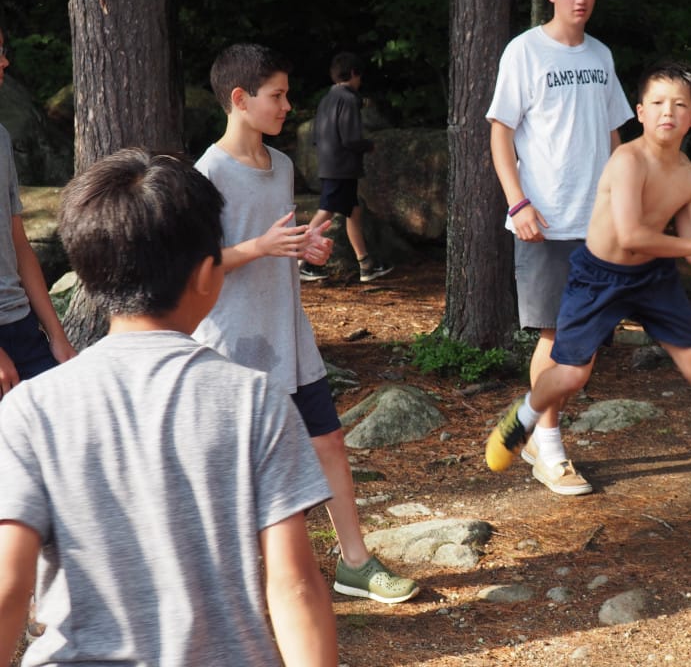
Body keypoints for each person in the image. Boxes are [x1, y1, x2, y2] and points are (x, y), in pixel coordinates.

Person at [0, 148, 337, 666]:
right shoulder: (255, 401)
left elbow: (7, 590)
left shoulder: (31, 409)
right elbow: (294, 587)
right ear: (208, 275)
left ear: (87, 280)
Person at [486, 60, 691, 501]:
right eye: (658, 103)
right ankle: (524, 415)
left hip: (653, 277)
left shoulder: (690, 178)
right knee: (570, 375)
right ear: (640, 112)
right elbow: (630, 235)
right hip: (599, 278)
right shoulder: (627, 160)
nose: (669, 111)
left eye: (680, 104)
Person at [193, 43, 419, 603]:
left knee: (331, 443)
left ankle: (355, 563)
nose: (288, 105)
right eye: (278, 95)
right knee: (234, 466)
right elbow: (196, 266)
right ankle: (228, 584)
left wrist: (303, 249)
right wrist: (261, 245)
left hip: (289, 338)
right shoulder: (206, 173)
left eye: (287, 94)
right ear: (241, 100)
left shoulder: (283, 166)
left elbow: (277, 247)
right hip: (232, 346)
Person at [485, 0, 634, 495]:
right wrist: (517, 202)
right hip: (544, 221)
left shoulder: (600, 56)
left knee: (585, 348)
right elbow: (500, 131)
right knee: (558, 337)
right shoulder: (524, 52)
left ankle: (527, 422)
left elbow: (615, 135)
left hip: (598, 224)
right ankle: (549, 449)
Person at [0, 25, 75, 396]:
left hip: (24, 327)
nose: (5, 61)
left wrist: (57, 337)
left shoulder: (1, 138)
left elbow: (19, 242)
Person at [300, 51, 392, 283]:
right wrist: (368, 145)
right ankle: (301, 260)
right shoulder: (349, 99)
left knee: (353, 210)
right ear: (353, 73)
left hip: (329, 162)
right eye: (359, 77)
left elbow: (316, 135)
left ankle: (366, 264)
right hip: (342, 166)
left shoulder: (326, 99)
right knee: (327, 210)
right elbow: (350, 138)